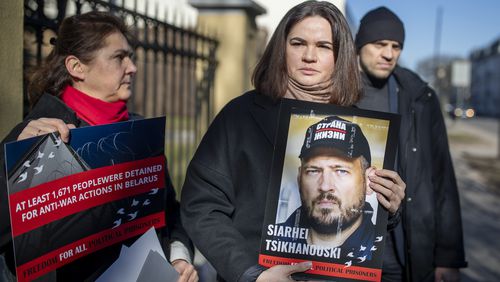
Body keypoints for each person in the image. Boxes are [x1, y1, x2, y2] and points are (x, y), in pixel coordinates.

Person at [180, 1, 406, 281]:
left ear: (341, 55)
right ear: (281, 48)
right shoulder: (240, 115)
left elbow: (365, 216)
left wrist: (391, 206)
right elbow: (201, 206)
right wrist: (251, 274)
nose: (309, 56)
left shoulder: (361, 125)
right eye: (298, 43)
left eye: (323, 46)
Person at [0, 11, 198, 282]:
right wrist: (17, 165)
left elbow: (171, 214)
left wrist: (178, 257)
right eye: (119, 57)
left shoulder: (140, 132)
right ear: (76, 67)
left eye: (130, 57)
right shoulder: (34, 134)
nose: (132, 67)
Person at [354, 6, 467, 282]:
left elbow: (442, 180)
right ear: (359, 44)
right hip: (344, 251)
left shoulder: (421, 98)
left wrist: (448, 257)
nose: (389, 54)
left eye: (396, 46)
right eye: (379, 44)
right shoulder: (333, 90)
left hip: (401, 251)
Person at [281, 115, 378, 261]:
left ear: (368, 181)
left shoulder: (381, 251)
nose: (325, 186)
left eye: (341, 171)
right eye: (313, 171)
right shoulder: (273, 241)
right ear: (299, 178)